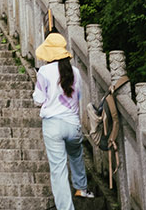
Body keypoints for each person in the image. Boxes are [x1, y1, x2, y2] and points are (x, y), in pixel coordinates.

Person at [33, 32, 94, 209]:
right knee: (75, 153)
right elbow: (79, 96)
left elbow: (38, 99)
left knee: (58, 170)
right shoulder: (74, 72)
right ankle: (81, 187)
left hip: (53, 125)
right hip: (73, 125)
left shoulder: (44, 72)